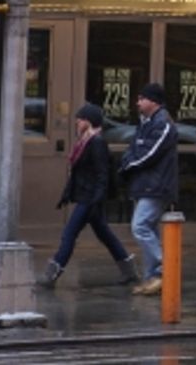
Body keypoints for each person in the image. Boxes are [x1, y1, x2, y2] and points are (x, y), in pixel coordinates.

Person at [36, 103, 138, 288]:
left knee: (69, 234)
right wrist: (67, 194)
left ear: (89, 122)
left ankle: (52, 274)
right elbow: (79, 173)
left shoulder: (96, 143)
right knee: (105, 234)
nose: (77, 121)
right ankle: (129, 271)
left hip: (90, 198)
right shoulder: (84, 142)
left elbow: (102, 174)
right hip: (87, 196)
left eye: (81, 118)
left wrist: (96, 199)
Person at [119, 82, 178, 296]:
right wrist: (128, 162)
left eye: (142, 99)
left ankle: (165, 268)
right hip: (146, 185)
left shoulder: (163, 124)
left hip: (157, 186)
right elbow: (133, 149)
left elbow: (148, 154)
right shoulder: (146, 123)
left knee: (140, 226)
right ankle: (152, 277)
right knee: (149, 229)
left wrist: (129, 165)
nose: (138, 103)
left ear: (154, 101)